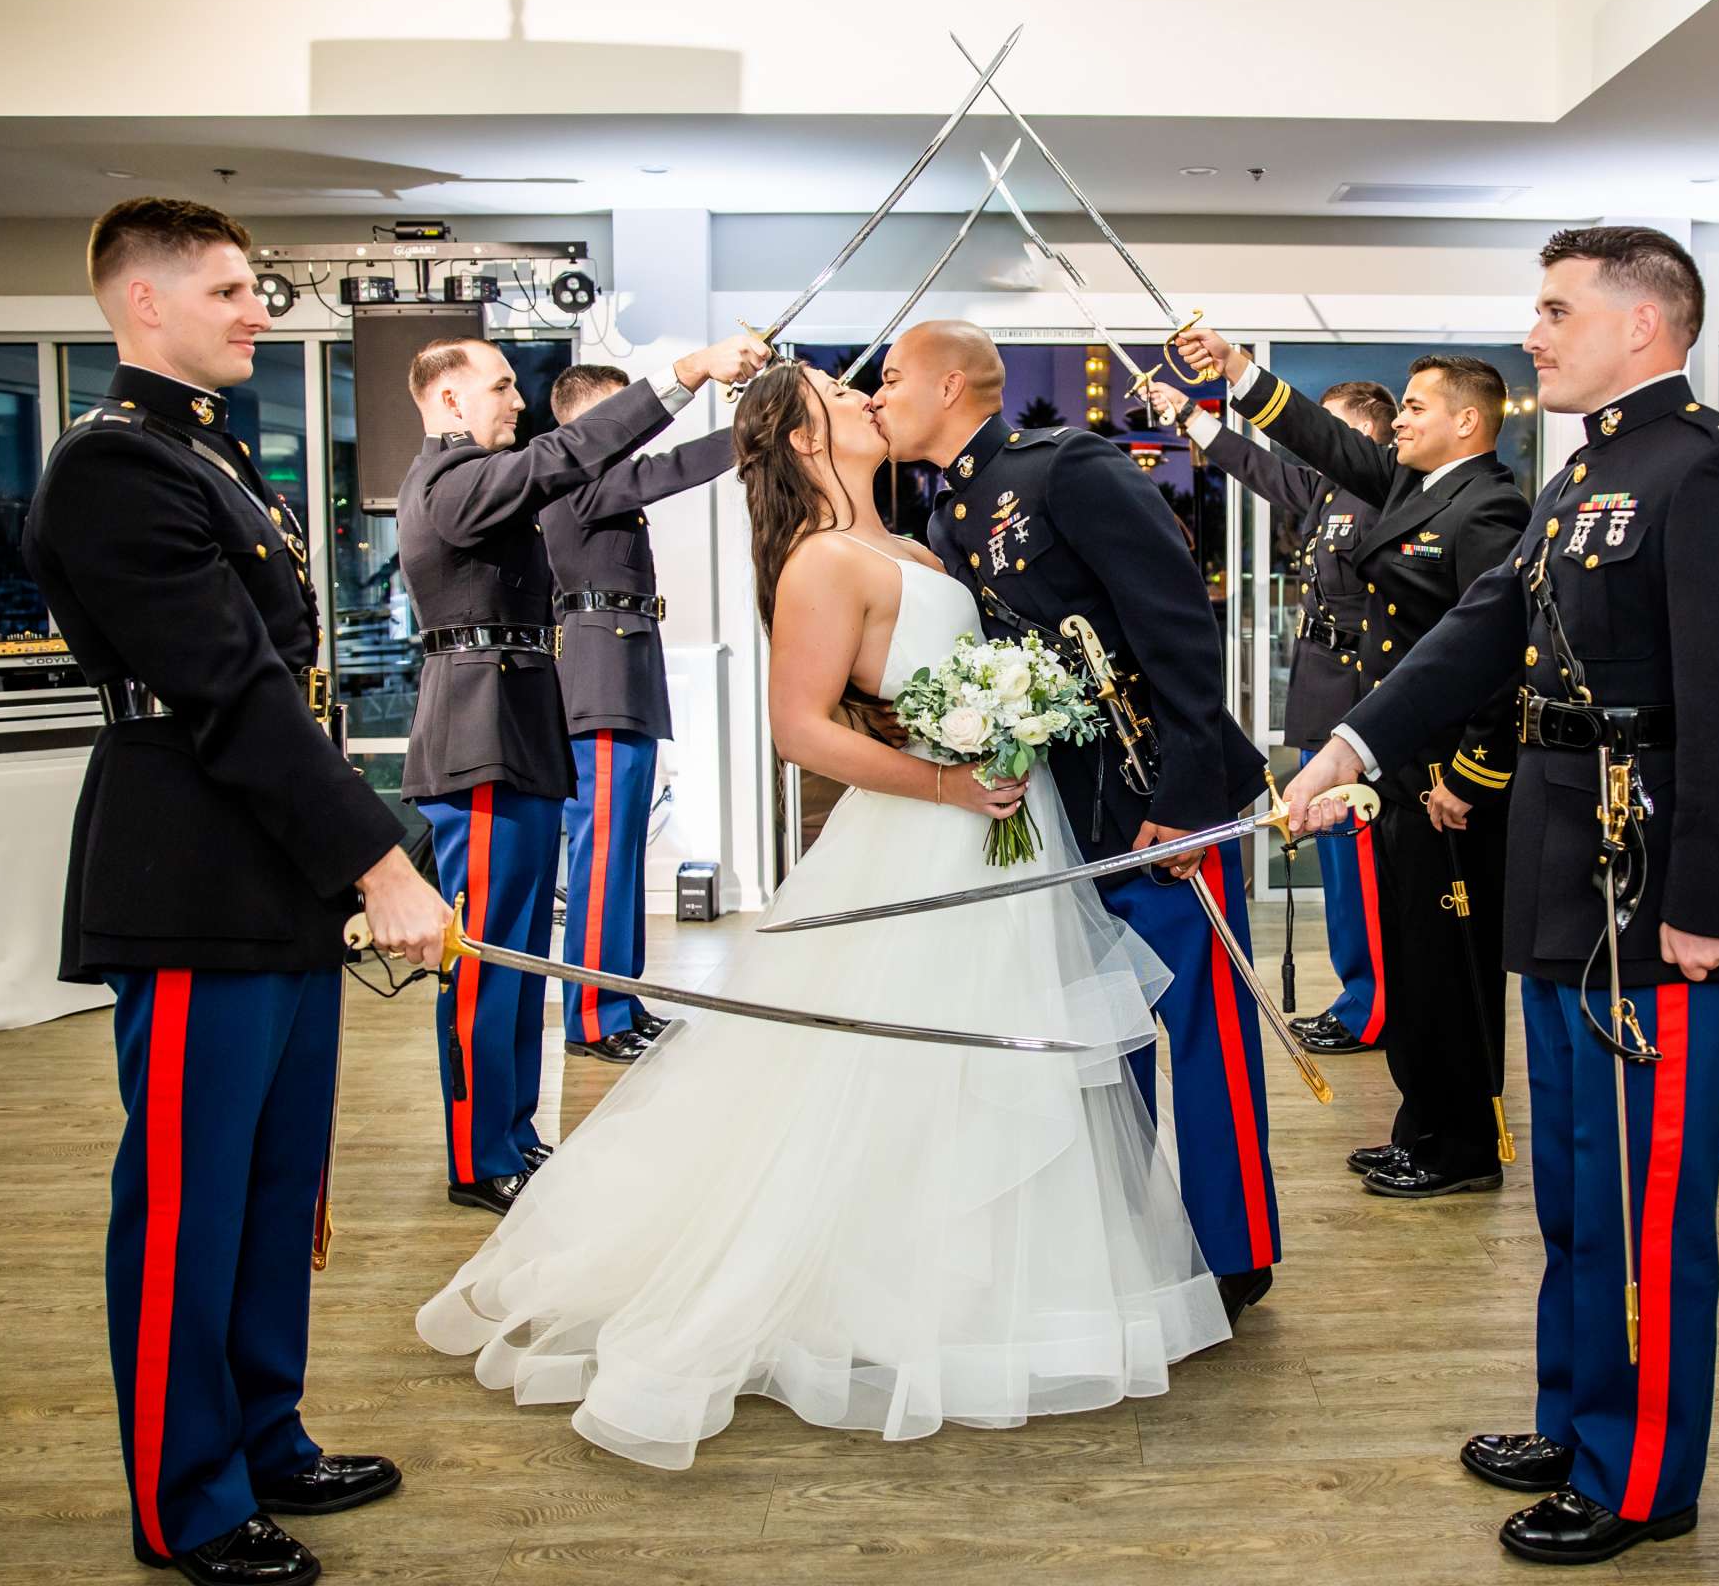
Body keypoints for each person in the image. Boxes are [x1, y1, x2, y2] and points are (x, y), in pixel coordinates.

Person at [417, 363, 1229, 1467]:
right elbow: (800, 729)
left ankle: (992, 1284)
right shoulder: (820, 561)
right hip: (930, 828)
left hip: (1005, 823)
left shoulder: (921, 544)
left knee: (998, 1066)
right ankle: (881, 1296)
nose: (864, 402)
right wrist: (947, 781)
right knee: (902, 1065)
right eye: (841, 399)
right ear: (803, 442)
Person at [1264, 226, 1719, 1566]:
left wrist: (1714, 901)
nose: (1535, 333)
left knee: (1645, 1207)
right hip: (1568, 881)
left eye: (1559, 310)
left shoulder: (1714, 468)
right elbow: (1476, 637)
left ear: (1645, 324)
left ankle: (1642, 1482)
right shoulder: (1585, 478)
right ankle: (1576, 1420)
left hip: (1660, 897)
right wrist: (1350, 749)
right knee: (1573, 1190)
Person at [23, 197, 452, 1586]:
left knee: (274, 1188)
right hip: (192, 863)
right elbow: (228, 691)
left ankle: (265, 1435)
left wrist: (355, 855)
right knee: (187, 1206)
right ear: (141, 303)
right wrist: (381, 859)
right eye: (226, 291)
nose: (256, 310)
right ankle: (187, 1500)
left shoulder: (206, 458)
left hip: (261, 866)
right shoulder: (113, 469)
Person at [872, 321, 1278, 1324]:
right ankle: (1130, 1241)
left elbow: (1177, 621)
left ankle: (1237, 1250)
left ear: (954, 381)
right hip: (1060, 810)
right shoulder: (947, 513)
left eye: (892, 377)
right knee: (1103, 1031)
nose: (878, 395)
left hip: (1154, 792)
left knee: (1203, 1028)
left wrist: (1188, 796)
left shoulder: (1066, 466)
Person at [398, 330, 767, 1215]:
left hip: (514, 725)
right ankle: (480, 1155)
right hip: (478, 730)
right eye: (497, 388)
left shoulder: (478, 480)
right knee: (488, 957)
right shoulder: (449, 481)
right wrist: (685, 375)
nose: (514, 401)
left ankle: (513, 1135)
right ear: (448, 401)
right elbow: (570, 456)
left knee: (518, 954)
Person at [1164, 351, 1532, 1199]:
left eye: (1414, 407)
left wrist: (1471, 777)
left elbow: (1498, 656)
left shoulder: (1489, 507)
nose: (1397, 421)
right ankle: (1422, 1129)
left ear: (1467, 422)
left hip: (1447, 785)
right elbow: (1320, 442)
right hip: (1401, 771)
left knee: (1448, 974)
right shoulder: (1413, 488)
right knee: (1410, 962)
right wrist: (1240, 375)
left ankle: (1462, 1146)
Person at [1146, 377, 1398, 1059]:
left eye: (1330, 429)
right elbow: (1258, 467)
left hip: (1361, 694)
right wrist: (1193, 419)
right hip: (1324, 692)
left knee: (1361, 863)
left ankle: (1375, 1009)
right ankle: (1356, 998)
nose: (1317, 442)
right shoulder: (1326, 491)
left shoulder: (1386, 489)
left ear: (1366, 434)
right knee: (1340, 862)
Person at [540, 364, 738, 1065]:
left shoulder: (594, 482)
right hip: (599, 679)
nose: (629, 425)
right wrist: (754, 427)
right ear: (580, 423)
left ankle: (617, 999)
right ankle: (593, 1013)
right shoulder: (574, 478)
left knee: (619, 852)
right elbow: (673, 468)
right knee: (600, 858)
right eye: (617, 412)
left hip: (622, 672)